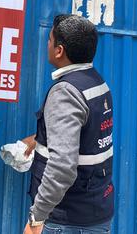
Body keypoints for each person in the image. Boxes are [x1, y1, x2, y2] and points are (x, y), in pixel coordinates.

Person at [23, 15, 114, 234]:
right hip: (95, 213)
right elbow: (87, 137)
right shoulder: (97, 83)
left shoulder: (65, 92)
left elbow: (63, 166)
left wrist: (37, 217)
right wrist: (39, 140)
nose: (47, 44)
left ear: (59, 50)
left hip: (66, 221)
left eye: (50, 39)